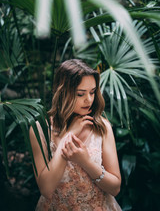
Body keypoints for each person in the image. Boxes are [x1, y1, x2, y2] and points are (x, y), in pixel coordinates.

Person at [30, 59, 122, 211]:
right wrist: (69, 134)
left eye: (92, 92)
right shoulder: (40, 129)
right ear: (62, 93)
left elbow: (115, 188)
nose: (89, 100)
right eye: (80, 94)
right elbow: (46, 189)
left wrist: (85, 162)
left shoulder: (102, 126)